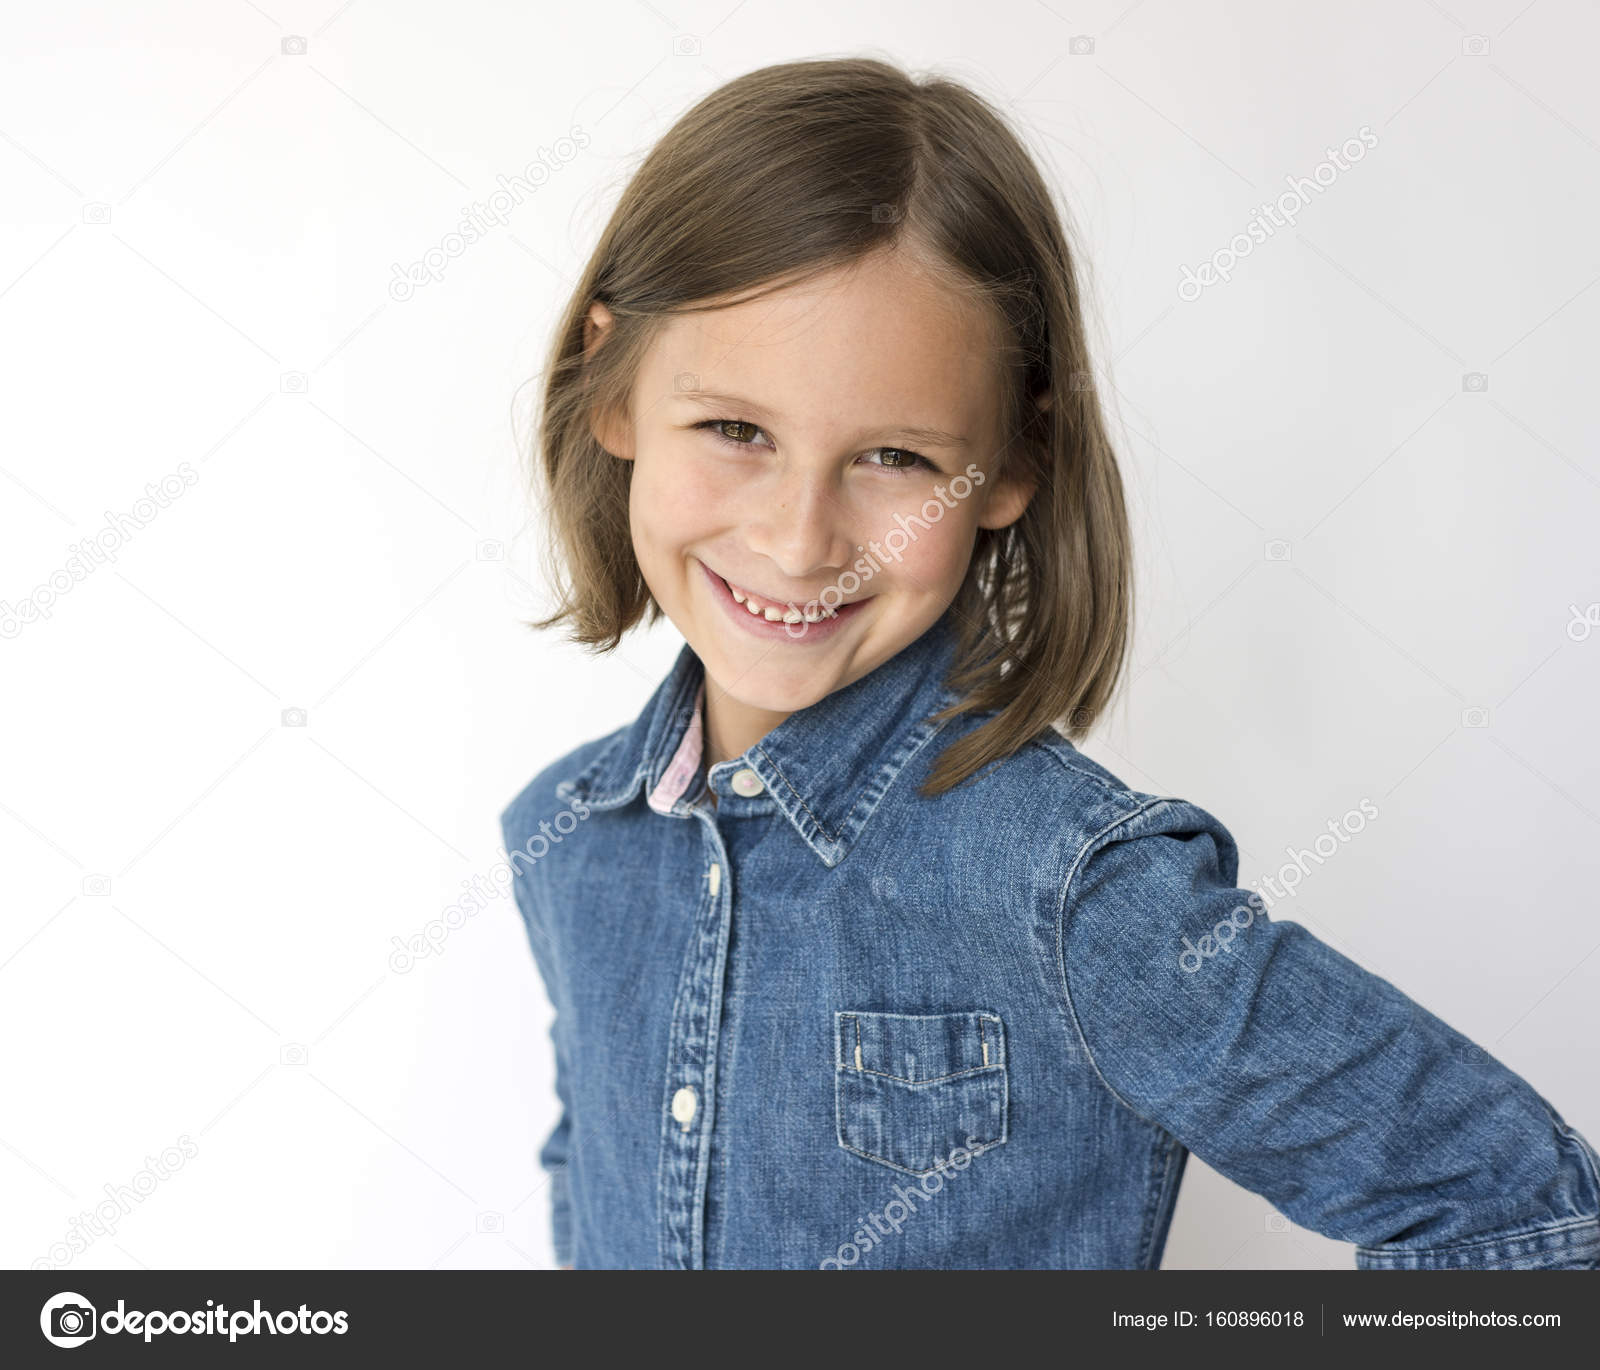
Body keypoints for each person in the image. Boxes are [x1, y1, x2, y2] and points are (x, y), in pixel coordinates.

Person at [500, 56, 1599, 1270]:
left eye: (897, 459)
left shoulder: (1072, 890)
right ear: (611, 389)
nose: (796, 536)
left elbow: (1521, 1211)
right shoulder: (565, 838)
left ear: (1012, 464)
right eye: (735, 429)